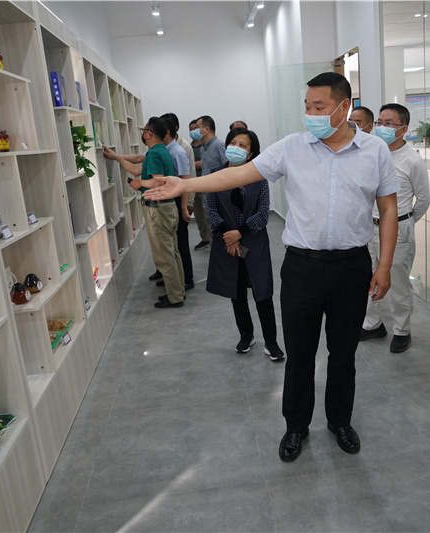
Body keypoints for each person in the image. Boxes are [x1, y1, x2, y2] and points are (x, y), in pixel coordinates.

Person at [144, 72, 400, 463]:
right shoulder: (292, 147)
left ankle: (340, 421)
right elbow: (238, 173)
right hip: (302, 267)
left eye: (319, 107)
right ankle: (296, 426)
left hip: (352, 266)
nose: (311, 114)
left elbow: (388, 208)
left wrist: (384, 266)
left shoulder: (375, 151)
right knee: (299, 353)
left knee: (343, 353)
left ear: (344, 107)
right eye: (307, 106)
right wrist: (186, 185)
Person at [204, 127, 284, 361]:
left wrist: (239, 233)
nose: (236, 148)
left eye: (242, 145)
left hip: (253, 241)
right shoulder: (215, 175)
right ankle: (246, 335)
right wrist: (227, 235)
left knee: (262, 293)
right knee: (236, 291)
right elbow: (211, 209)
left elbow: (263, 213)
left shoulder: (259, 176)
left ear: (250, 154)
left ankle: (271, 341)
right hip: (226, 243)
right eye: (233, 143)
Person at [361, 103, 430, 353]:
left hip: (399, 228)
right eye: (380, 122)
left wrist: (406, 222)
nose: (382, 127)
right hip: (369, 228)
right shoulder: (372, 153)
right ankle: (372, 324)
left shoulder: (413, 161)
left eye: (389, 123)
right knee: (367, 278)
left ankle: (402, 330)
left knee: (398, 283)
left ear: (403, 129)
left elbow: (423, 200)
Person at [103, 117, 185, 308]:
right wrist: (117, 158)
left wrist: (140, 183)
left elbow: (158, 180)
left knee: (164, 256)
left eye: (144, 130)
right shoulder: (160, 150)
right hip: (167, 207)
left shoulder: (154, 153)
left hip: (157, 208)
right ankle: (177, 291)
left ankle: (175, 297)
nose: (143, 133)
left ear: (149, 134)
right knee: (172, 252)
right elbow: (137, 169)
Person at [160, 113, 195, 291]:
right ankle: (174, 277)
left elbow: (187, 181)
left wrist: (185, 206)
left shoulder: (181, 150)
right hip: (169, 201)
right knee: (171, 243)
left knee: (181, 242)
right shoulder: (163, 149)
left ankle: (187, 278)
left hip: (179, 200)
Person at [189, 119, 212, 251]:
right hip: (194, 185)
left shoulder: (205, 146)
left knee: (207, 215)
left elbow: (204, 163)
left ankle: (213, 240)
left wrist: (192, 164)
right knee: (198, 215)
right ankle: (205, 239)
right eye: (191, 129)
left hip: (205, 185)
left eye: (195, 128)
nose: (193, 131)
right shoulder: (189, 147)